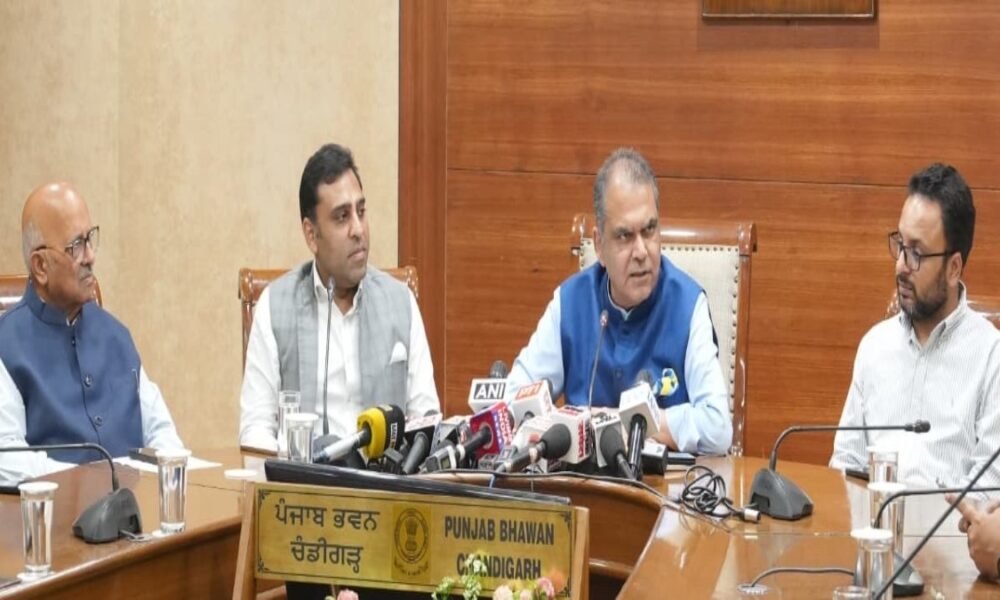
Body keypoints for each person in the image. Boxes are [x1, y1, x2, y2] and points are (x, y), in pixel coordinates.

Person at [506, 147, 732, 455]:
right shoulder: (570, 303)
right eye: (624, 236)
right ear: (599, 245)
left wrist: (626, 422)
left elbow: (717, 428)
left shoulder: (688, 306)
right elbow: (513, 400)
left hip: (662, 483)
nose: (641, 252)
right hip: (580, 482)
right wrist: (565, 426)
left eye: (649, 231)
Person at [239, 143, 439, 451]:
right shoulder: (274, 307)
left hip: (384, 479)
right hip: (306, 478)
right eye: (342, 217)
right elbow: (255, 430)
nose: (358, 229)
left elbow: (427, 421)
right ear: (311, 234)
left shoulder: (401, 303)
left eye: (361, 211)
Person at [0, 183, 183, 485]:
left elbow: (163, 435)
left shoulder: (116, 336)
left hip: (134, 510)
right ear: (41, 266)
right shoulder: (6, 347)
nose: (91, 256)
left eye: (90, 239)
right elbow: (6, 457)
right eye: (76, 246)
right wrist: (83, 480)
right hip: (55, 512)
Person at [830, 163, 1000, 488]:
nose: (900, 266)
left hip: (950, 522)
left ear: (953, 268)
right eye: (900, 245)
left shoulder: (991, 359)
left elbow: (989, 490)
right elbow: (845, 466)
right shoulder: (874, 347)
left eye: (917, 254)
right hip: (874, 520)